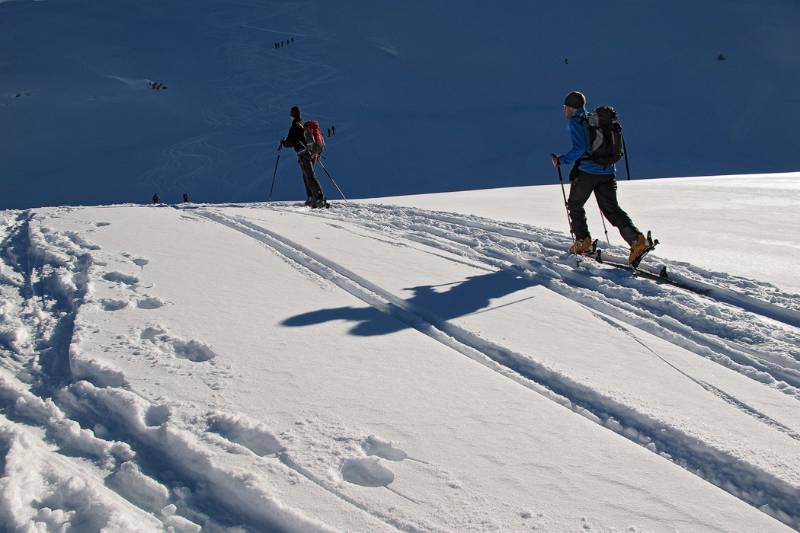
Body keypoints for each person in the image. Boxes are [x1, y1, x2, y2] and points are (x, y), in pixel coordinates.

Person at [551, 91, 648, 265]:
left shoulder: (575, 122)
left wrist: (561, 160)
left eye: (565, 107)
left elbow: (580, 149)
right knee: (612, 209)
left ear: (572, 108)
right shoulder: (593, 119)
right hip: (608, 171)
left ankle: (583, 242)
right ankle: (636, 240)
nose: (564, 110)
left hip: (588, 172)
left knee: (574, 203)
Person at [280, 105, 327, 207]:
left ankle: (318, 197)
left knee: (309, 176)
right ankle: (313, 197)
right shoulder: (302, 124)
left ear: (293, 115)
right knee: (307, 175)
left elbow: (290, 142)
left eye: (291, 114)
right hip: (311, 153)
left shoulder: (295, 126)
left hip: (304, 154)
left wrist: (283, 143)